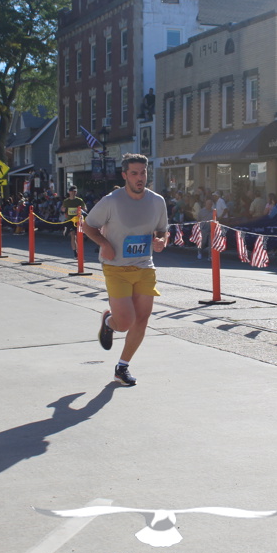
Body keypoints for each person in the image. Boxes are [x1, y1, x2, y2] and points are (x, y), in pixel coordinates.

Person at [82, 153, 169, 386]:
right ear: (124, 175)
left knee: (142, 319)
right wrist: (104, 244)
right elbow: (87, 226)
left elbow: (162, 229)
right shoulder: (111, 201)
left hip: (144, 266)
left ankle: (122, 367)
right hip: (116, 268)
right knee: (125, 323)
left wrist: (161, 240)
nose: (140, 178)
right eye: (134, 173)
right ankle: (109, 322)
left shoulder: (157, 201)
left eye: (143, 173)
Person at [61, 186, 88, 257]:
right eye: (72, 191)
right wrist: (64, 209)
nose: (73, 193)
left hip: (78, 220)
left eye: (75, 191)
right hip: (70, 220)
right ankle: (75, 252)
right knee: (73, 235)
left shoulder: (79, 200)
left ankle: (79, 251)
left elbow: (85, 209)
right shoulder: (66, 201)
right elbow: (62, 209)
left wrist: (80, 210)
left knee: (79, 236)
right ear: (69, 192)